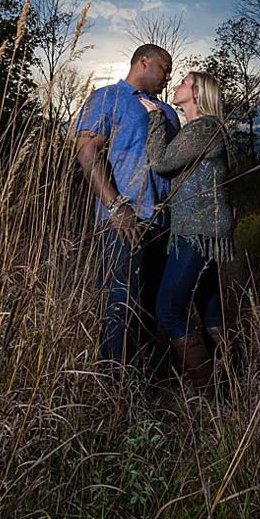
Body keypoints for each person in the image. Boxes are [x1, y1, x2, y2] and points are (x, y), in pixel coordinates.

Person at [74, 44, 177, 377]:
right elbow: (87, 155)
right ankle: (113, 394)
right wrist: (117, 207)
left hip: (163, 223)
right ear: (143, 62)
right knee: (121, 307)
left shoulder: (168, 113)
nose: (168, 76)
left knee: (149, 311)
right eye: (164, 68)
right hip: (122, 223)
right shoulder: (107, 97)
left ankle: (141, 389)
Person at [139, 70, 235, 396]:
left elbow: (161, 162)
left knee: (169, 308)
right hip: (203, 229)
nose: (177, 86)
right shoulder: (199, 129)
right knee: (209, 307)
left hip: (196, 231)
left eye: (184, 82)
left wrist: (154, 119)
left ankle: (208, 395)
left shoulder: (204, 126)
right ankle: (230, 387)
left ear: (197, 93)